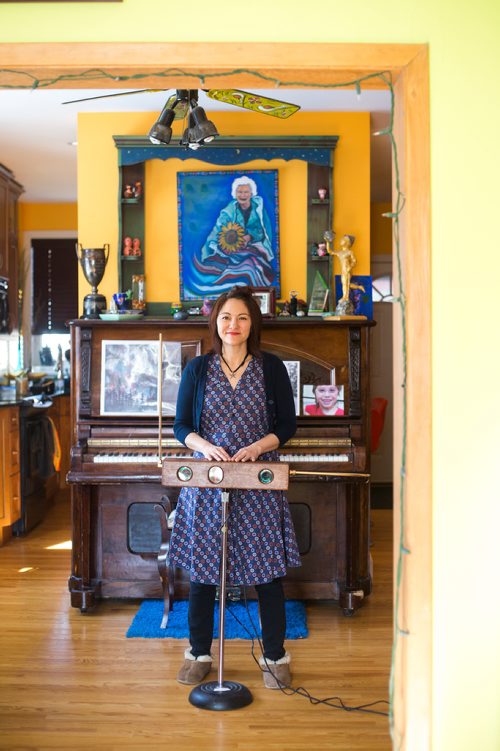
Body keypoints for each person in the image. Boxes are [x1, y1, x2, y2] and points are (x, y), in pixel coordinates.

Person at [169, 285, 301, 689]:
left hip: (258, 480)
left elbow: (287, 427)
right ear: (216, 322)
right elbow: (181, 427)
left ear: (252, 324)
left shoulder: (271, 367)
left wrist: (258, 447)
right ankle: (199, 653)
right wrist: (205, 446)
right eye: (226, 317)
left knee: (267, 574)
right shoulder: (197, 370)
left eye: (242, 318)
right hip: (208, 483)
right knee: (204, 573)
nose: (234, 325)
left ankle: (276, 657)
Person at [188, 177, 276, 296]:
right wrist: (219, 242)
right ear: (235, 193)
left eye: (245, 192)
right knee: (219, 263)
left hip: (254, 244)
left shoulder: (258, 210)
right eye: (239, 192)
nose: (242, 195)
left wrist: (249, 236)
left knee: (253, 262)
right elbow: (220, 228)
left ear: (251, 193)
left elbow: (263, 230)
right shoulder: (229, 210)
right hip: (232, 245)